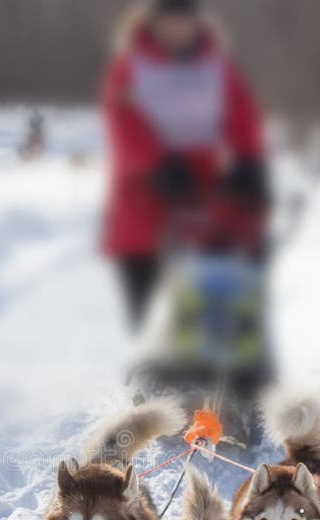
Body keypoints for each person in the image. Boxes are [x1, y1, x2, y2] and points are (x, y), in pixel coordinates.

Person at [101, 0, 269, 328]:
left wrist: (249, 159)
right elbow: (122, 121)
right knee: (148, 309)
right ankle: (150, 366)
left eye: (183, 19)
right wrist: (157, 163)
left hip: (200, 195)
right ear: (153, 21)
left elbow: (242, 114)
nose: (176, 27)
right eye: (168, 19)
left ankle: (208, 363)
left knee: (205, 298)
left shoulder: (216, 65)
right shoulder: (130, 66)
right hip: (142, 196)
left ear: (195, 21)